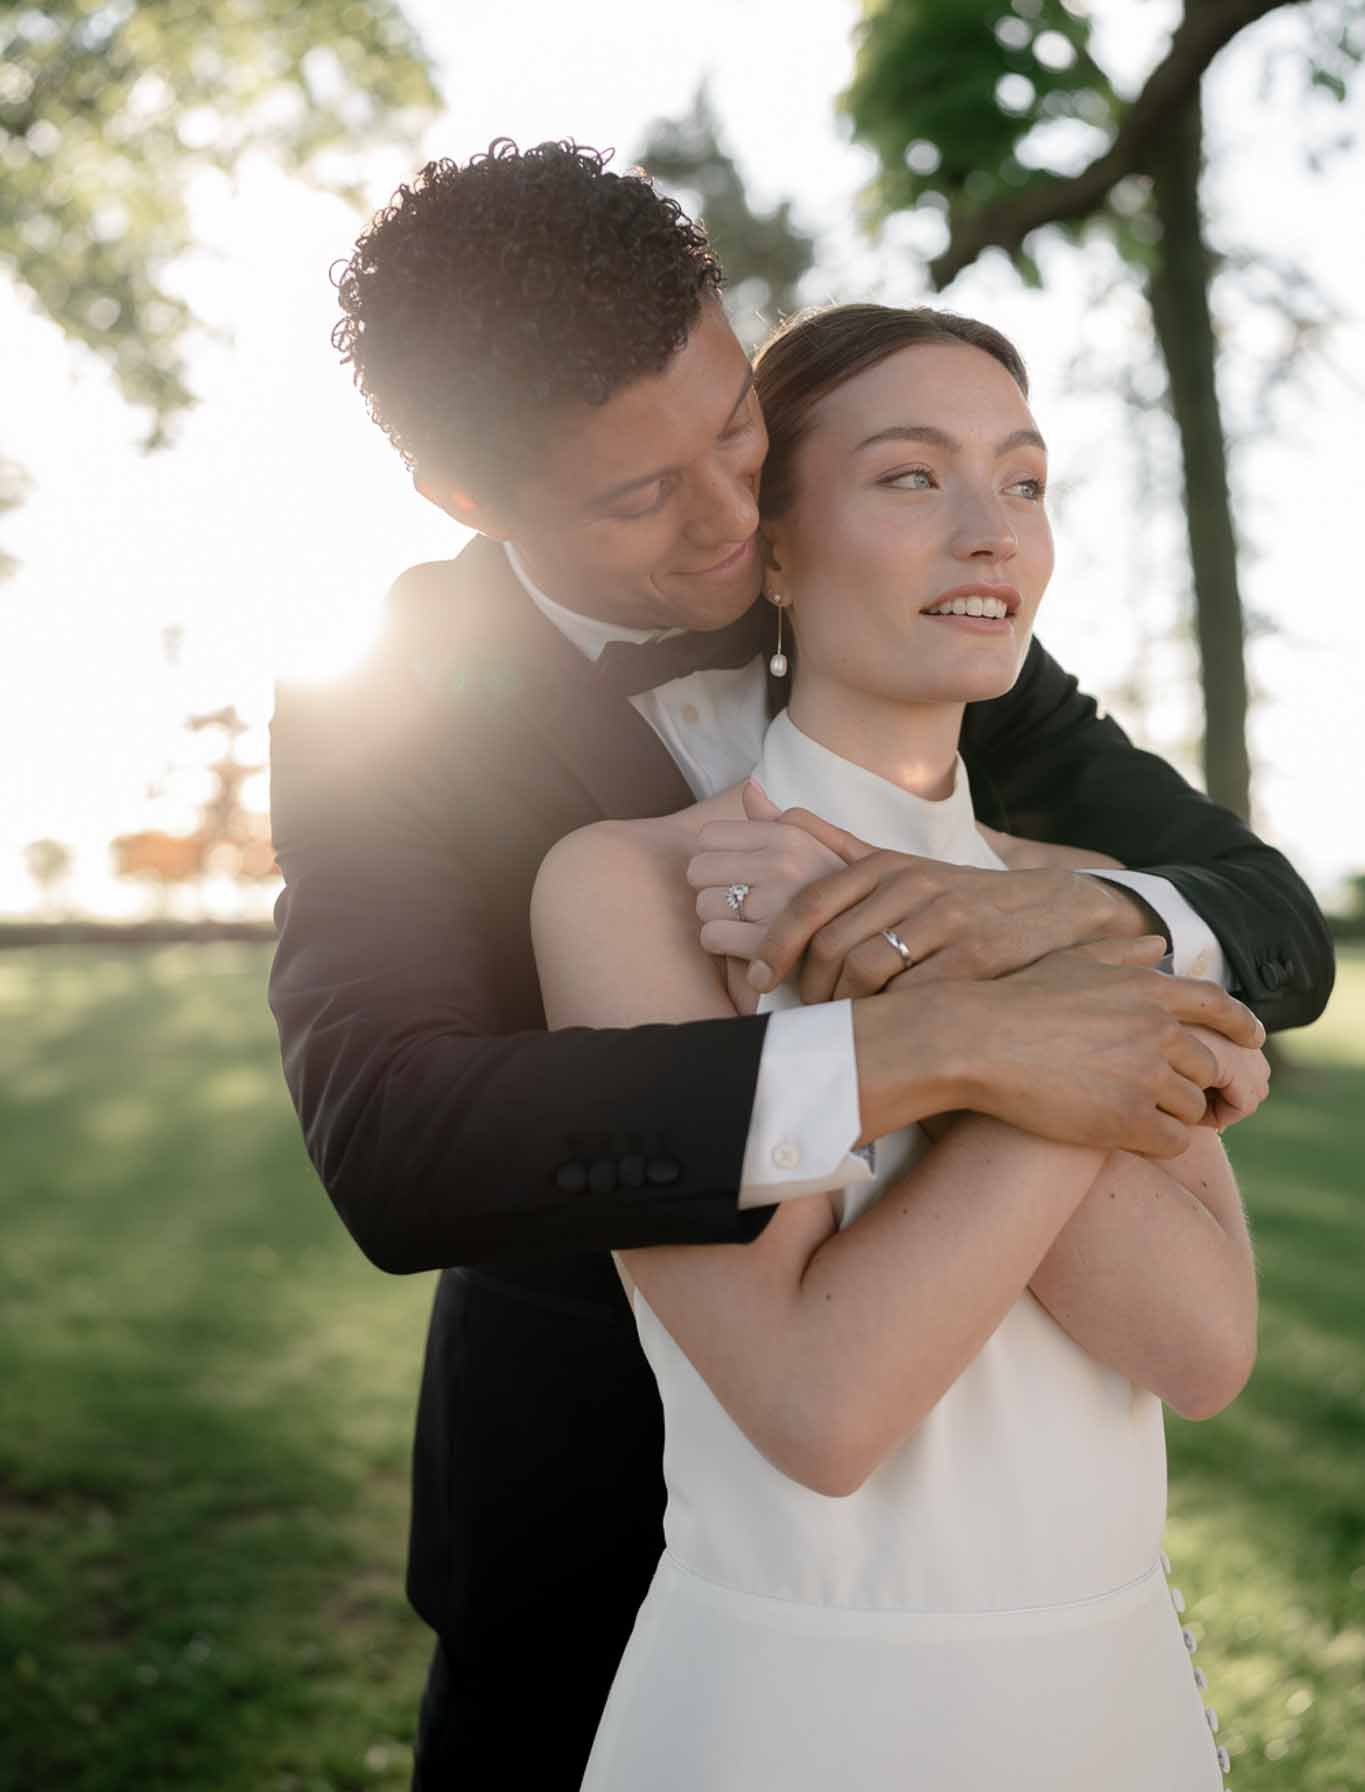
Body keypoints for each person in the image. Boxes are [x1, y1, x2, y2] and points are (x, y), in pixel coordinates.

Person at [266, 141, 1333, 1789]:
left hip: (1021, 1546)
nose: (726, 518)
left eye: (734, 433)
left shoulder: (917, 602)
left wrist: (1068, 932)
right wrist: (949, 1043)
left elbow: (1252, 915)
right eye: (637, 496)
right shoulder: (385, 710)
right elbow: (398, 1144)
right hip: (584, 1504)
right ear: (471, 500)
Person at [532, 302, 1263, 1788]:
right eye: (912, 476)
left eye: (1025, 479)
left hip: (1114, 1707)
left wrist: (943, 964)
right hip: (801, 1712)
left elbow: (1202, 1352)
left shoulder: (1087, 905)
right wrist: (1062, 1034)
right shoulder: (633, 889)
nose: (992, 532)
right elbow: (821, 1407)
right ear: (774, 547)